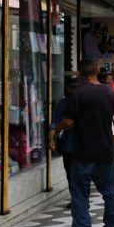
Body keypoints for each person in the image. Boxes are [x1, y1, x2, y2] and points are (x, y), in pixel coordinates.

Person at [50, 60, 114, 227]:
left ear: (79, 73)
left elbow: (69, 121)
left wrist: (57, 129)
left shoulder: (77, 93)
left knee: (79, 194)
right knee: (109, 192)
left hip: (82, 153)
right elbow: (113, 119)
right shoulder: (109, 92)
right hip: (105, 151)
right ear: (97, 70)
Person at [49, 77, 79, 209]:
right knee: (70, 173)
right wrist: (52, 139)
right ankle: (76, 198)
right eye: (73, 87)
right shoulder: (63, 103)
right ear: (68, 88)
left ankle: (82, 198)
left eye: (78, 87)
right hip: (69, 145)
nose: (76, 90)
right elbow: (54, 123)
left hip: (86, 145)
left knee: (83, 173)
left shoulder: (87, 101)